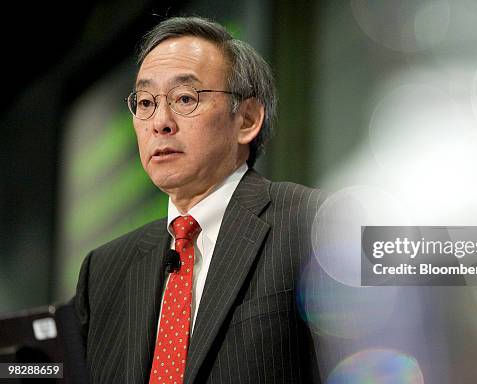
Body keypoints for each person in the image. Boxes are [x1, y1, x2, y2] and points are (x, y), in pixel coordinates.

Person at [72, 16, 323, 383]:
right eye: (145, 102)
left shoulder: (314, 222)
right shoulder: (104, 270)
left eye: (185, 98)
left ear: (247, 119)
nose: (160, 122)